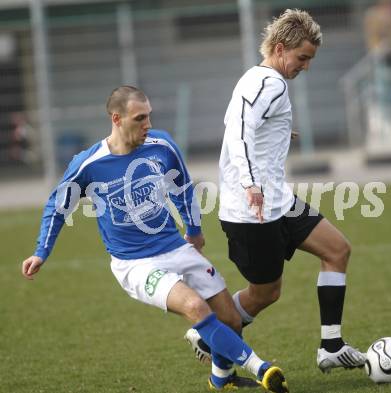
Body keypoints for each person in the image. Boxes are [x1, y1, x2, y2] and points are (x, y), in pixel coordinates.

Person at [21, 86, 289, 393]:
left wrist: (194, 229)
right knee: (195, 307)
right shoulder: (89, 164)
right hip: (135, 265)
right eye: (140, 118)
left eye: (149, 116)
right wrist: (41, 251)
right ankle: (262, 368)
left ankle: (221, 380)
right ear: (117, 119)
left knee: (230, 319)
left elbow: (183, 188)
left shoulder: (162, 145)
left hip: (175, 246)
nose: (148, 124)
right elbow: (57, 206)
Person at [185, 9, 366, 373]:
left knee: (337, 249)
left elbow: (252, 127)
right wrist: (251, 183)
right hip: (252, 211)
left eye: (310, 59)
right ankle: (208, 333)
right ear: (281, 49)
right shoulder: (270, 83)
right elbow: (238, 131)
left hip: (278, 203)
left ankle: (331, 345)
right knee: (266, 293)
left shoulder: (261, 80)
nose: (306, 66)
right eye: (302, 58)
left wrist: (282, 133)